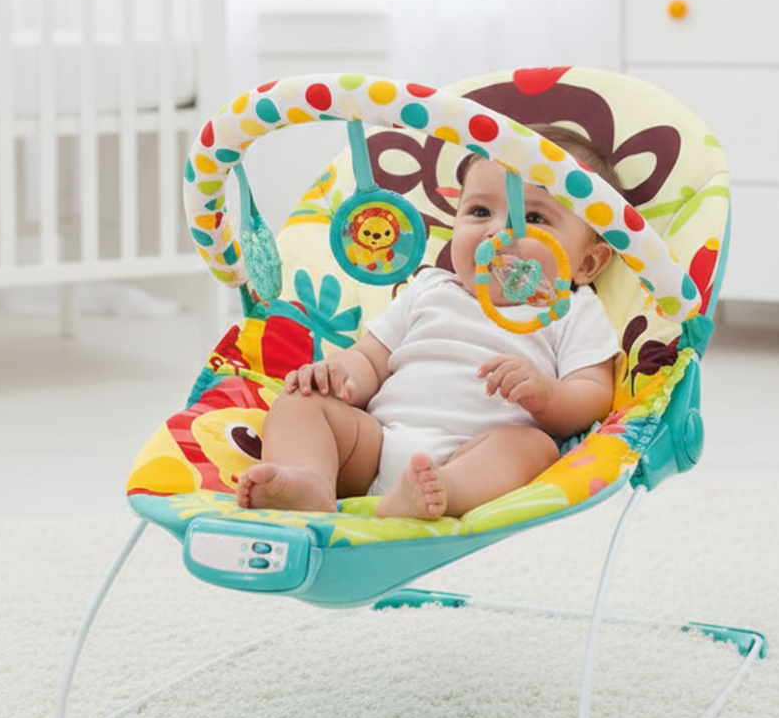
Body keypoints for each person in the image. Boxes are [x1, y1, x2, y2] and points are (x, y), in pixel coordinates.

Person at [236, 125, 621, 521]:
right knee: (298, 403)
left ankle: (441, 491)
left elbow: (593, 394)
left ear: (587, 263)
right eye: (480, 212)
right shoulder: (429, 287)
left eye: (534, 218)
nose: (498, 232)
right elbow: (369, 358)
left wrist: (547, 395)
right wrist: (338, 376)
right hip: (377, 444)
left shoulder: (571, 311)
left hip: (476, 453)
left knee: (534, 448)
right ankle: (308, 480)